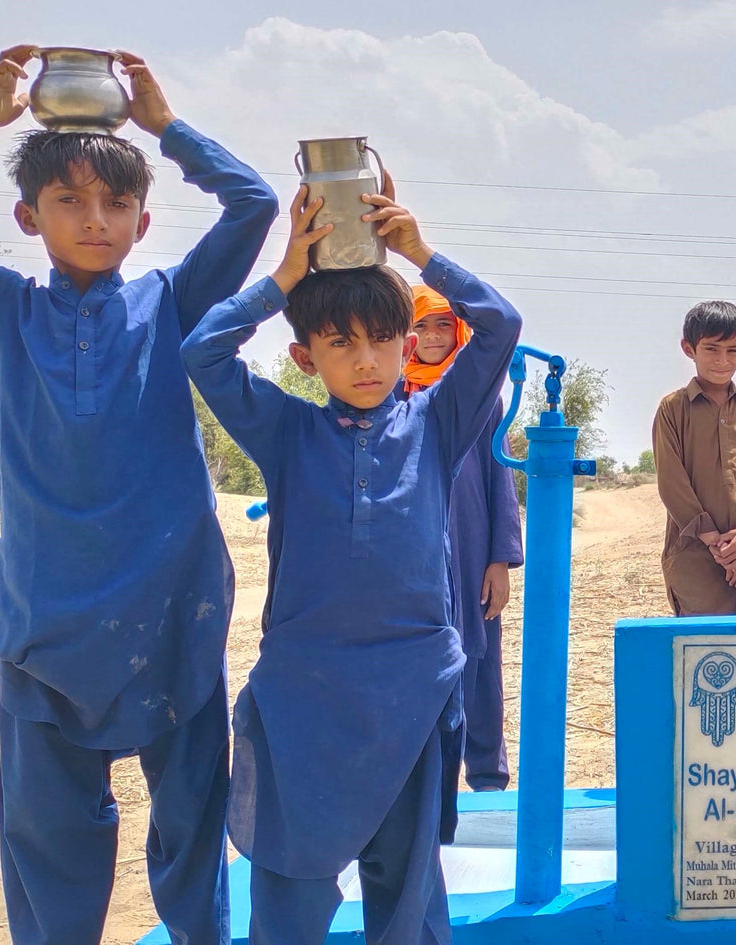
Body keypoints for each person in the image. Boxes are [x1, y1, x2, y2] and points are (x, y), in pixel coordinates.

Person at [0, 46, 278, 945]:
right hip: (44, 631)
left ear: (142, 216)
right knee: (52, 854)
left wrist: (164, 126)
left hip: (175, 618)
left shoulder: (173, 303)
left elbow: (255, 203)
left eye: (117, 203)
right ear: (29, 214)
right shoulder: (1, 309)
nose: (96, 220)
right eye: (70, 202)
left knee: (193, 842)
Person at [181, 179, 522, 944]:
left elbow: (500, 325)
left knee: (407, 907)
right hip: (303, 697)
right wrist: (285, 277)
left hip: (411, 689)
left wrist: (418, 253)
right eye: (340, 343)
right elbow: (201, 351)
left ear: (408, 342)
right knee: (288, 899)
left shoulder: (439, 423)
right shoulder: (287, 433)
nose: (365, 360)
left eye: (381, 339)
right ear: (306, 357)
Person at [401, 286, 522, 791]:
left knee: (480, 656)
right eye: (422, 326)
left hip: (472, 548)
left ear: (460, 332)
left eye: (442, 326)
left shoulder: (480, 398)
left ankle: (488, 775)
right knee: (418, 660)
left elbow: (500, 480)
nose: (432, 337)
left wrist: (499, 560)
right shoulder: (391, 395)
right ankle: (425, 782)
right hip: (412, 550)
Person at [652, 300, 736, 616]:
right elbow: (672, 483)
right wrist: (715, 542)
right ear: (689, 349)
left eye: (732, 351)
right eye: (712, 349)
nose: (722, 360)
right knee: (707, 654)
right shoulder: (672, 410)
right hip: (697, 555)